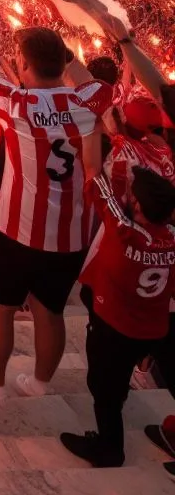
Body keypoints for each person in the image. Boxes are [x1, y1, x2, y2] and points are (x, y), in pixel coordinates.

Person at [0, 10, 112, 402]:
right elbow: (96, 83)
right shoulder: (87, 101)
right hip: (70, 236)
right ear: (64, 60)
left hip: (17, 232)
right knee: (50, 310)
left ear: (23, 63)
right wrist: (66, 56)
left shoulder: (16, 104)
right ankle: (39, 383)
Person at [60, 166, 175, 467]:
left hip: (113, 329)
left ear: (138, 205)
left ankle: (109, 449)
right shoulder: (173, 238)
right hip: (154, 329)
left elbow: (98, 183)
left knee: (104, 388)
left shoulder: (124, 230)